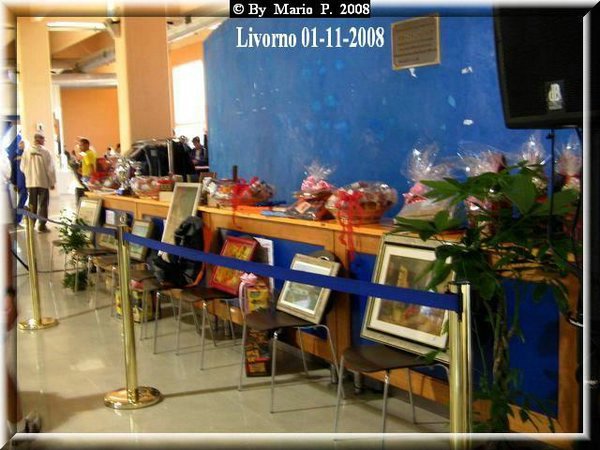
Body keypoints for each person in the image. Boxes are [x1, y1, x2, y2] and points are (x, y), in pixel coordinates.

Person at [19, 133, 56, 233]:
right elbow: (50, 169)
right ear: (41, 140)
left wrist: (29, 174)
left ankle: (31, 224)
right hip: (43, 182)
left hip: (31, 182)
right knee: (43, 204)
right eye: (43, 140)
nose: (44, 142)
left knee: (32, 203)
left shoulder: (27, 151)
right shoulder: (46, 152)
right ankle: (42, 226)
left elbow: (22, 167)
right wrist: (52, 182)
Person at [7, 133, 27, 227]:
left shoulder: (18, 155)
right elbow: (13, 170)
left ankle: (17, 218)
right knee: (22, 199)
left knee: (20, 200)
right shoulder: (18, 155)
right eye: (20, 143)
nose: (21, 144)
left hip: (20, 181)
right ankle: (17, 219)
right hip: (21, 182)